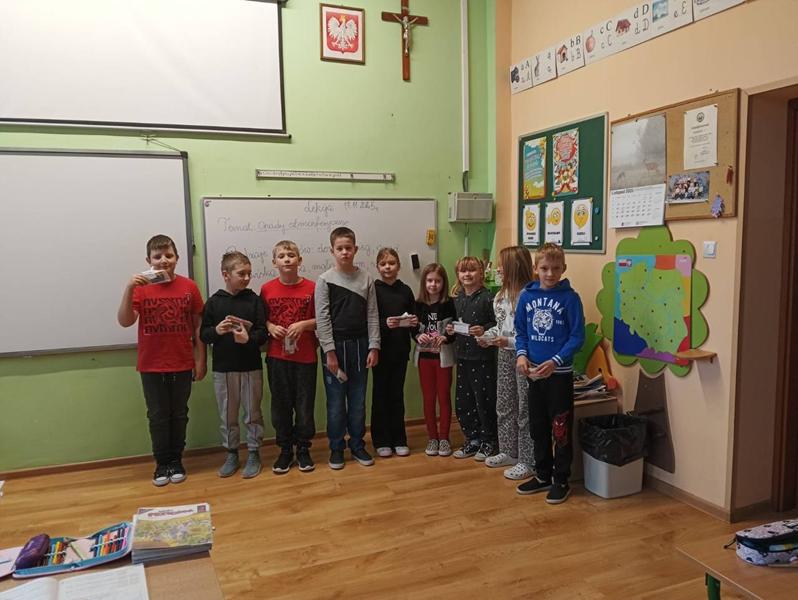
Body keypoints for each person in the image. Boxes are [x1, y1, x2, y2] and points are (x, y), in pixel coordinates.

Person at [117, 234, 206, 487]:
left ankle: (176, 461)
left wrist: (201, 360)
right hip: (151, 364)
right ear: (149, 260)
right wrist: (129, 288)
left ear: (177, 258)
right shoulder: (141, 288)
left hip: (182, 361)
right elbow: (125, 321)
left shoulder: (189, 286)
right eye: (158, 256)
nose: (164, 260)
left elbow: (198, 325)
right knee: (157, 416)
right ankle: (162, 463)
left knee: (179, 414)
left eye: (169, 255)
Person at [514, 242, 585, 504]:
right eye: (544, 268)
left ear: (563, 268)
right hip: (534, 375)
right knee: (538, 426)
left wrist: (555, 361)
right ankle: (543, 474)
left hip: (559, 375)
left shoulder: (570, 298)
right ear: (536, 268)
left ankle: (561, 479)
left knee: (560, 428)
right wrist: (521, 355)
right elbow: (521, 331)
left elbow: (577, 337)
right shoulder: (526, 296)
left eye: (556, 268)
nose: (550, 273)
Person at [315, 227, 380, 470]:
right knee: (335, 403)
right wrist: (329, 352)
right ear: (332, 251)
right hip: (335, 349)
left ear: (355, 249)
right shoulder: (324, 280)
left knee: (358, 401)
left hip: (361, 346)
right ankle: (336, 447)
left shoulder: (366, 279)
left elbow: (372, 315)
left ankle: (357, 444)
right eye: (340, 248)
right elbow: (322, 319)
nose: (344, 252)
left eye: (348, 248)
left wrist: (374, 347)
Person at [200, 251, 268, 479]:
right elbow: (203, 335)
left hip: (250, 367)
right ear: (226, 275)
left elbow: (263, 333)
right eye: (241, 274)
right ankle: (231, 453)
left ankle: (254, 452)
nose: (247, 278)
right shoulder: (214, 302)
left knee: (252, 413)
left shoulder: (254, 300)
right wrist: (217, 331)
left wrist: (249, 338)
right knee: (228, 415)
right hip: (224, 369)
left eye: (249, 273)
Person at [478, 246, 536, 481]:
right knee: (504, 404)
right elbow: (501, 326)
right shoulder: (500, 296)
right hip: (504, 355)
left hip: (525, 356)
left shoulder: (529, 295)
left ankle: (527, 459)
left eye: (502, 265)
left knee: (525, 408)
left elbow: (531, 334)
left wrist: (508, 341)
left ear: (514, 267)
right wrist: (488, 336)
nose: (498, 269)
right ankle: (509, 450)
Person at [260, 240, 318, 474]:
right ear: (274, 262)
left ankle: (303, 449)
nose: (287, 259)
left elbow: (323, 320)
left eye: (291, 255)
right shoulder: (266, 289)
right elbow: (260, 319)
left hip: (305, 357)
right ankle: (285, 450)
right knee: (280, 407)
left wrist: (304, 324)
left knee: (304, 407)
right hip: (277, 357)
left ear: (299, 260)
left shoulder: (313, 287)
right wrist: (270, 327)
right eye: (282, 256)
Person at [446, 257, 498, 461]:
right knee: (464, 400)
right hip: (463, 357)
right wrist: (450, 329)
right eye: (463, 271)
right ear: (458, 275)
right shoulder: (456, 299)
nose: (467, 274)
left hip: (483, 358)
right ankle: (472, 438)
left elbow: (497, 323)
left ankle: (489, 440)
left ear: (481, 273)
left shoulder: (488, 298)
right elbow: (452, 324)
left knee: (484, 399)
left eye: (472, 270)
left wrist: (484, 329)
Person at [371, 248, 417, 458]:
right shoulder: (373, 289)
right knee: (380, 395)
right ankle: (381, 440)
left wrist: (414, 323)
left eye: (391, 263)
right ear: (377, 267)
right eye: (383, 264)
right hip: (380, 351)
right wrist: (384, 323)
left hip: (400, 351)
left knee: (397, 396)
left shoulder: (405, 290)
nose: (387, 267)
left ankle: (399, 439)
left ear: (399, 266)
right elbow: (369, 320)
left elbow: (414, 319)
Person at [413, 263, 457, 457]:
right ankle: (432, 437)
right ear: (424, 282)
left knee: (444, 397)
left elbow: (455, 330)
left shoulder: (449, 304)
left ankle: (444, 438)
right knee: (429, 398)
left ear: (443, 283)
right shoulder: (418, 304)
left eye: (437, 281)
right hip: (424, 358)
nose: (433, 284)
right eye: (429, 280)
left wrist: (446, 337)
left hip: (443, 358)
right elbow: (412, 328)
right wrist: (417, 335)